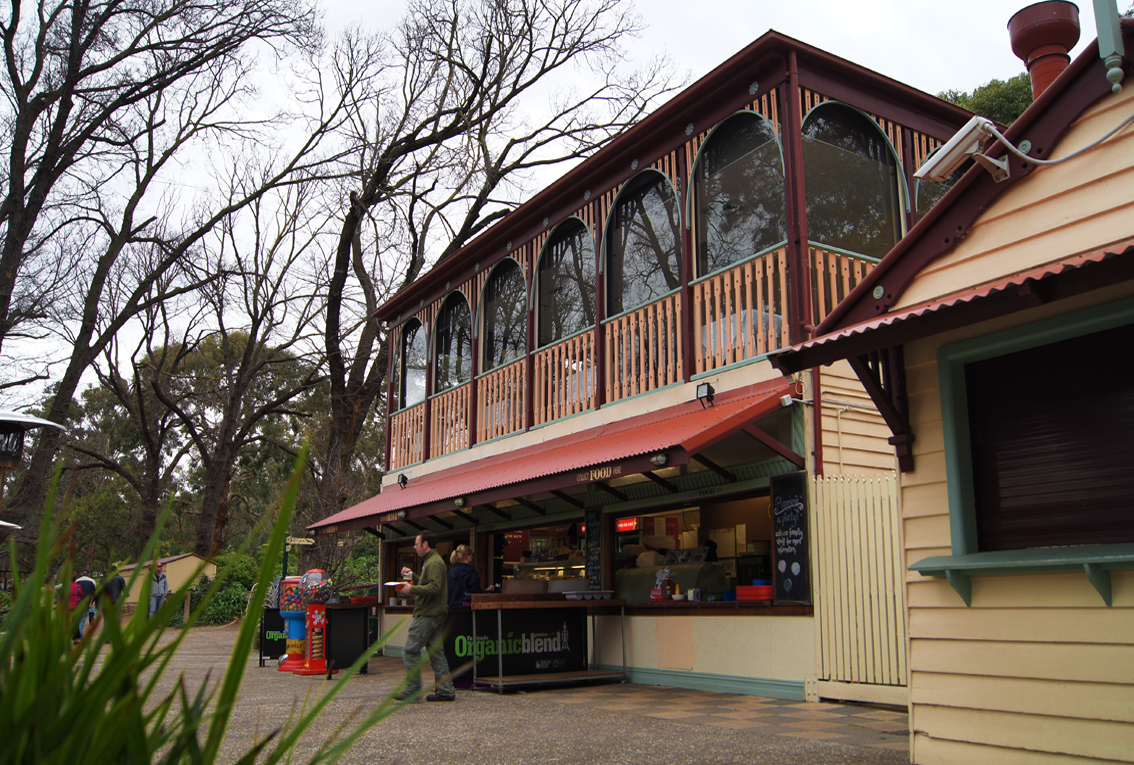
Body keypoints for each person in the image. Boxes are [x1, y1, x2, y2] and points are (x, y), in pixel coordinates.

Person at [395, 531, 456, 702]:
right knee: (436, 653)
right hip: (435, 614)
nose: (414, 547)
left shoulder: (434, 563)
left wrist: (410, 589)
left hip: (428, 615)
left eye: (416, 543)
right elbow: (427, 583)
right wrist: (412, 577)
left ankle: (413, 690)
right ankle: (445, 690)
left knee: (410, 649)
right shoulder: (431, 561)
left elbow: (434, 588)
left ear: (425, 544)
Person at [447, 544, 483, 610]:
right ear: (467, 556)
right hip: (467, 611)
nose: (473, 557)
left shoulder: (450, 572)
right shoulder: (471, 573)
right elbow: (476, 594)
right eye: (472, 555)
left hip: (451, 610)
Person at [75, 570, 97, 637]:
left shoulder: (77, 581)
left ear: (81, 573)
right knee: (83, 618)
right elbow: (95, 593)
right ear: (89, 573)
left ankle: (78, 634)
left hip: (77, 602)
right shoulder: (92, 581)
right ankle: (80, 634)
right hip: (87, 602)